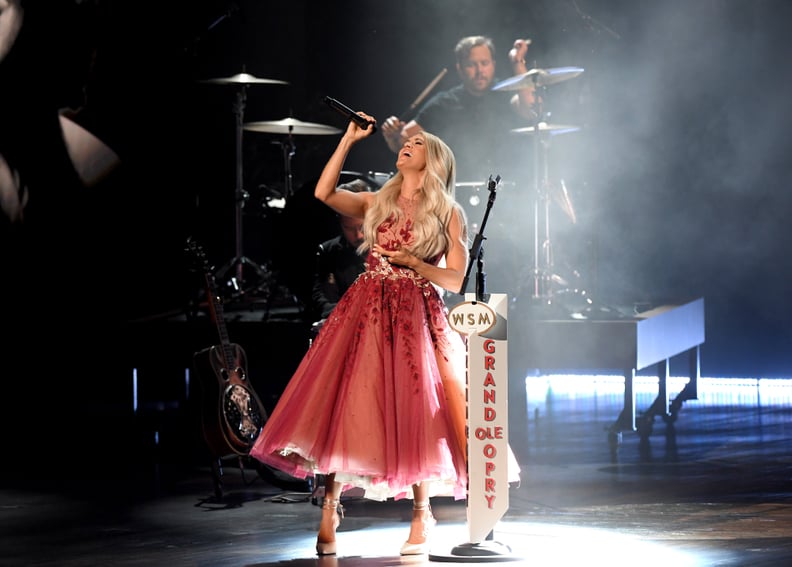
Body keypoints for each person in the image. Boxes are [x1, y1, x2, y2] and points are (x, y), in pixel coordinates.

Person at [249, 114, 471, 557]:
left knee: (417, 407)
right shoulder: (378, 200)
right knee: (350, 401)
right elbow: (324, 193)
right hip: (367, 309)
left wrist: (416, 264)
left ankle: (421, 513)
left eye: (419, 143)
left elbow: (455, 280)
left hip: (414, 312)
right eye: (407, 143)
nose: (407, 144)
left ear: (435, 161)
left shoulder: (448, 210)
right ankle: (330, 506)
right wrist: (348, 140)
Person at [381, 35, 538, 183]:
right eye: (471, 65)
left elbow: (531, 108)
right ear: (460, 68)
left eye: (485, 63)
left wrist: (518, 62)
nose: (480, 71)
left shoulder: (505, 92)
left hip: (509, 189)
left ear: (493, 65)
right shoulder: (445, 103)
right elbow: (403, 141)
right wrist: (393, 136)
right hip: (457, 193)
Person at [309, 178, 372, 325]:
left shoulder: (393, 247)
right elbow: (322, 296)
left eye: (362, 227)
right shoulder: (329, 251)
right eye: (349, 228)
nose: (359, 236)